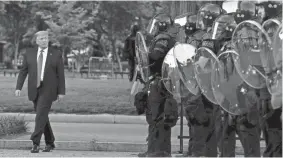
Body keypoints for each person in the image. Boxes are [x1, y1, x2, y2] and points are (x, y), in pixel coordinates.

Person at [15, 31, 66, 153]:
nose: (44, 40)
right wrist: (18, 87)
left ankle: (35, 142)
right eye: (42, 38)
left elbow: (61, 75)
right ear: (36, 41)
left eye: (46, 38)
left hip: (49, 89)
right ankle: (50, 142)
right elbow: (23, 71)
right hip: (34, 88)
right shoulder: (29, 53)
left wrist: (61, 92)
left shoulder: (56, 54)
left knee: (40, 114)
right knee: (42, 116)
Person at [138, 13, 178, 157]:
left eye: (156, 25)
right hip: (161, 81)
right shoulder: (166, 38)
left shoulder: (163, 39)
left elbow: (155, 56)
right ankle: (154, 150)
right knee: (156, 115)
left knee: (157, 116)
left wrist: (144, 54)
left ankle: (158, 151)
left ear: (161, 25)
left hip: (160, 82)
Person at [256, 1, 282, 157]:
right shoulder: (264, 28)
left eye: (261, 9)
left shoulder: (276, 29)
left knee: (273, 123)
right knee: (268, 123)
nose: (259, 12)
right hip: (266, 80)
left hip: (275, 81)